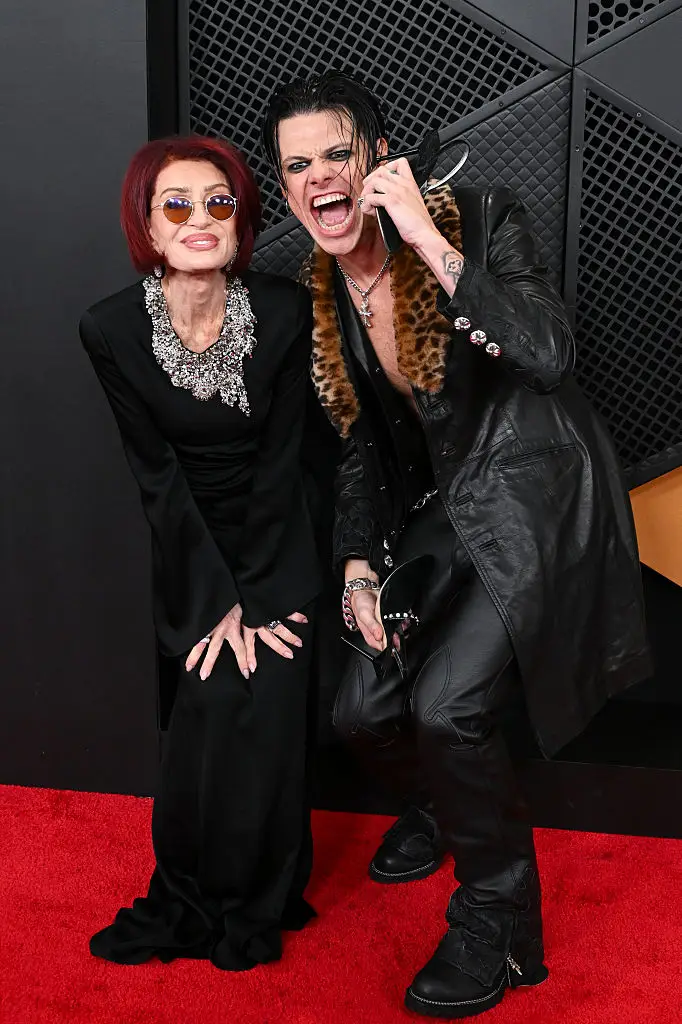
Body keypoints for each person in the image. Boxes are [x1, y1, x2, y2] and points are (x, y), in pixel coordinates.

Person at [261, 72, 651, 1017]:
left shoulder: (476, 216)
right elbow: (361, 441)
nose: (318, 178)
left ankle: (500, 928)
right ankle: (444, 804)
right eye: (295, 165)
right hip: (442, 511)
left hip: (529, 493)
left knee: (447, 707)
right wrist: (358, 560)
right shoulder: (322, 290)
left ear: (378, 157)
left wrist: (432, 243)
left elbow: (549, 355)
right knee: (359, 707)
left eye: (336, 155)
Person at [80, 135, 321, 971]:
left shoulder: (287, 312)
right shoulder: (109, 328)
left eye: (218, 202)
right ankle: (189, 893)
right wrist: (217, 601)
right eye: (175, 203)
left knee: (272, 689)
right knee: (211, 701)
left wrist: (259, 600)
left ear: (241, 219)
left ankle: (265, 895)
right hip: (191, 555)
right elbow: (158, 479)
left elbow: (283, 463)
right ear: (146, 222)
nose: (199, 219)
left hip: (277, 538)